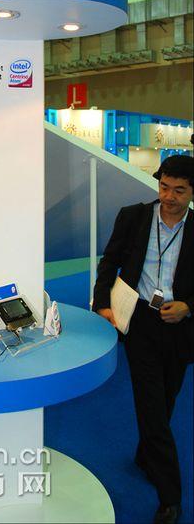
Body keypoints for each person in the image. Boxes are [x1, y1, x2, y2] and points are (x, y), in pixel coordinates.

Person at [93, 155, 193, 524]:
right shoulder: (133, 217)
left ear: (192, 193)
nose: (169, 196)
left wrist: (188, 306)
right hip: (141, 323)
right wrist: (102, 303)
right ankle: (170, 497)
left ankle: (145, 455)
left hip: (179, 326)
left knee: (166, 399)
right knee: (152, 406)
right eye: (164, 187)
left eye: (179, 190)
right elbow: (110, 262)